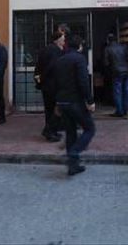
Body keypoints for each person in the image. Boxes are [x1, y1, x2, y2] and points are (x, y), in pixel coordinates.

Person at [53, 35, 95, 175]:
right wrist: (90, 100)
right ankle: (74, 152)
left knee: (70, 131)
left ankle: (73, 166)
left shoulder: (60, 60)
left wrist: (57, 102)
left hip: (62, 101)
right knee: (89, 128)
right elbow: (83, 82)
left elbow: (56, 83)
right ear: (79, 46)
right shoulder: (79, 59)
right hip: (75, 101)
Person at [34, 31, 65, 142]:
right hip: (53, 84)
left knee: (49, 109)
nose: (64, 41)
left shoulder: (45, 49)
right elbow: (53, 67)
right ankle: (49, 131)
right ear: (58, 40)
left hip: (45, 85)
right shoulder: (56, 51)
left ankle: (52, 131)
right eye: (63, 39)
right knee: (56, 109)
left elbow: (38, 65)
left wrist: (39, 79)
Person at [104, 33, 128, 118]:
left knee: (117, 92)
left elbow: (106, 62)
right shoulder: (123, 47)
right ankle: (125, 110)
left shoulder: (107, 49)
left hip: (116, 72)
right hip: (126, 71)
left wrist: (109, 70)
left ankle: (119, 111)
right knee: (126, 91)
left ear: (108, 40)